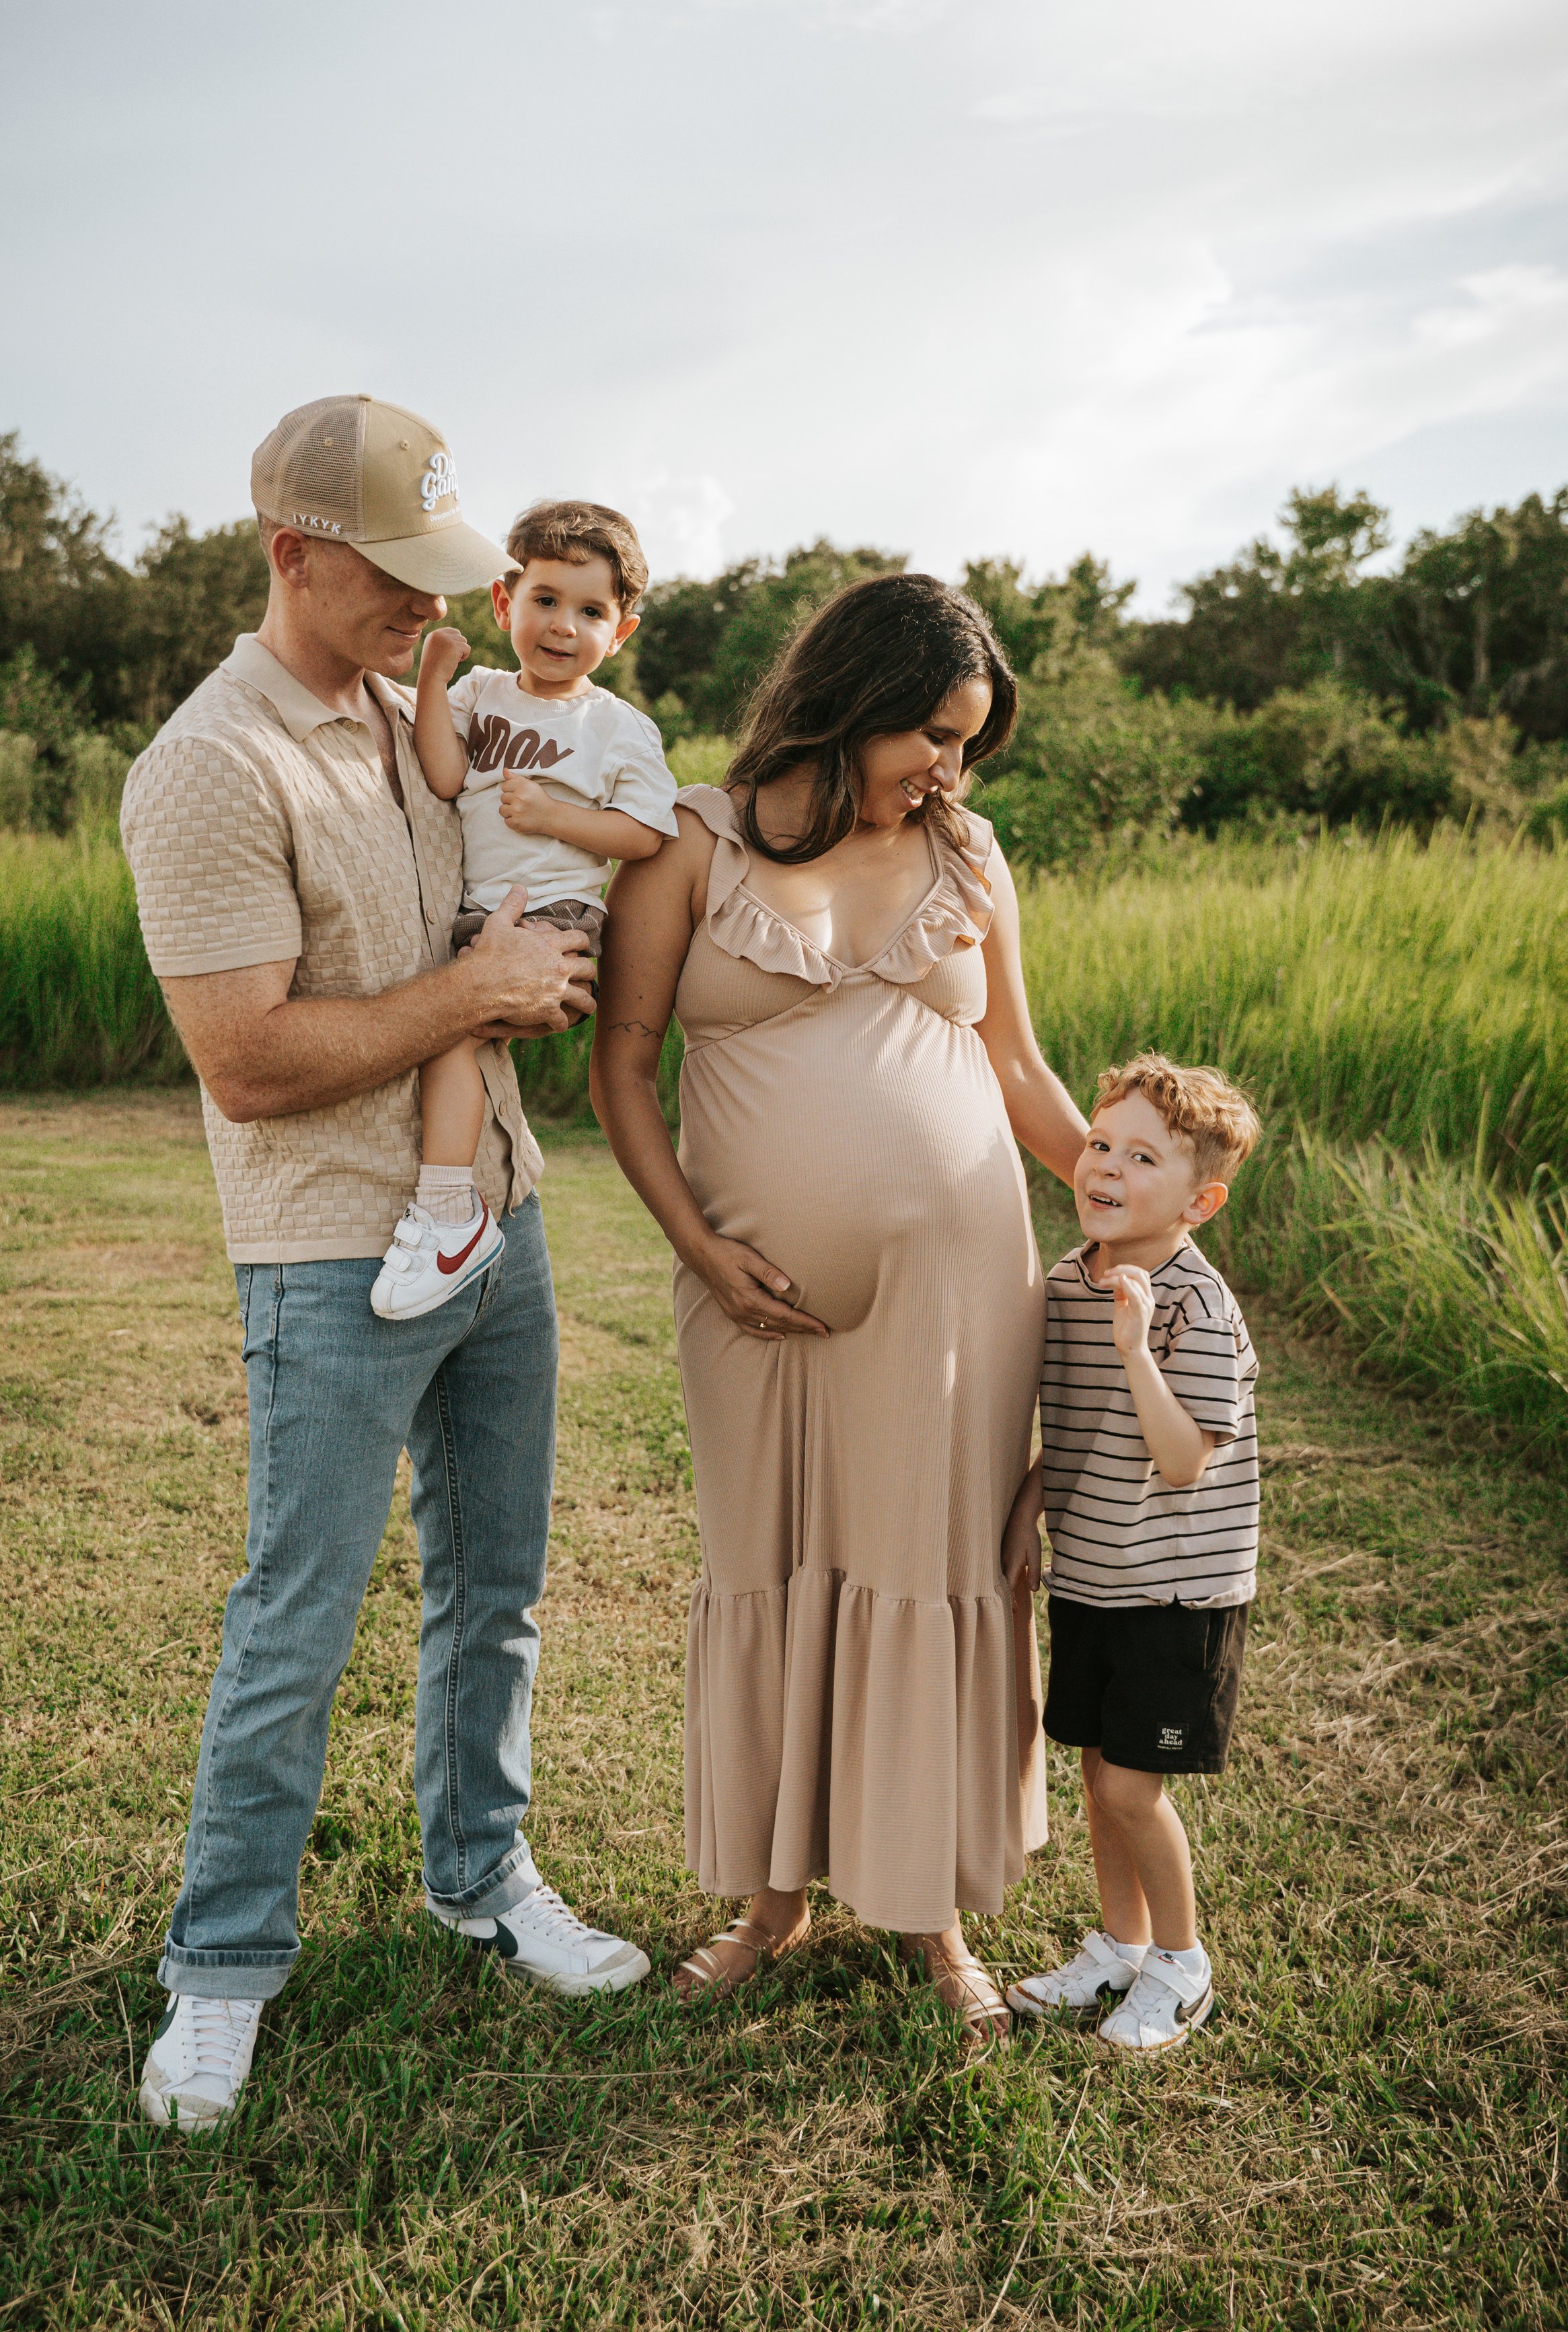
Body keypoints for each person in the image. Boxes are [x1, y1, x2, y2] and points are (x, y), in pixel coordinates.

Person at [120, 394, 650, 2135]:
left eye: (447, 573)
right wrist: (481, 993)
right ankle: (220, 1970)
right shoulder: (212, 763)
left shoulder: (423, 707)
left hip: (502, 1218)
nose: (435, 606)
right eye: (394, 577)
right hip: (330, 1257)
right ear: (291, 552)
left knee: (494, 1597)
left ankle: (478, 1878)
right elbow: (250, 1061)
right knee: (300, 1621)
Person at [591, 573, 1090, 2049]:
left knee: (930, 1569)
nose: (947, 769)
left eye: (967, 745)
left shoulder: (969, 851)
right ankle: (769, 1899)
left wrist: (1136, 1210)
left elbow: (1014, 1064)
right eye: (930, 734)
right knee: (771, 1557)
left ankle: (926, 1902)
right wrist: (696, 1243)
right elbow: (621, 1067)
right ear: (854, 698)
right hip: (748, 1296)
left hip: (956, 1291)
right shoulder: (693, 839)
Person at [1002, 1054, 1261, 2051]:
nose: (1106, 1165)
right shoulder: (1073, 1279)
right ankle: (1118, 1944)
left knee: (1128, 1788)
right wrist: (1031, 1501)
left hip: (1176, 1591)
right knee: (1097, 1769)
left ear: (1200, 1200)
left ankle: (1182, 1965)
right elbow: (1071, 1427)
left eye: (1141, 1156)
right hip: (1096, 1574)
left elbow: (1184, 1456)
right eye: (1101, 1143)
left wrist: (1138, 1350)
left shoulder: (1193, 1307)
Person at [370, 501, 677, 1321]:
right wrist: (433, 680)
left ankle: (447, 1216)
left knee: (454, 1027)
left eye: (590, 611)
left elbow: (647, 832)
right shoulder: (482, 693)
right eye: (545, 600)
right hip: (484, 912)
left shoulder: (617, 728)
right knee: (447, 1030)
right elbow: (442, 774)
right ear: (505, 603)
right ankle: (452, 1206)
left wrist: (555, 820)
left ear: (623, 631)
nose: (563, 626)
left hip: (558, 915)